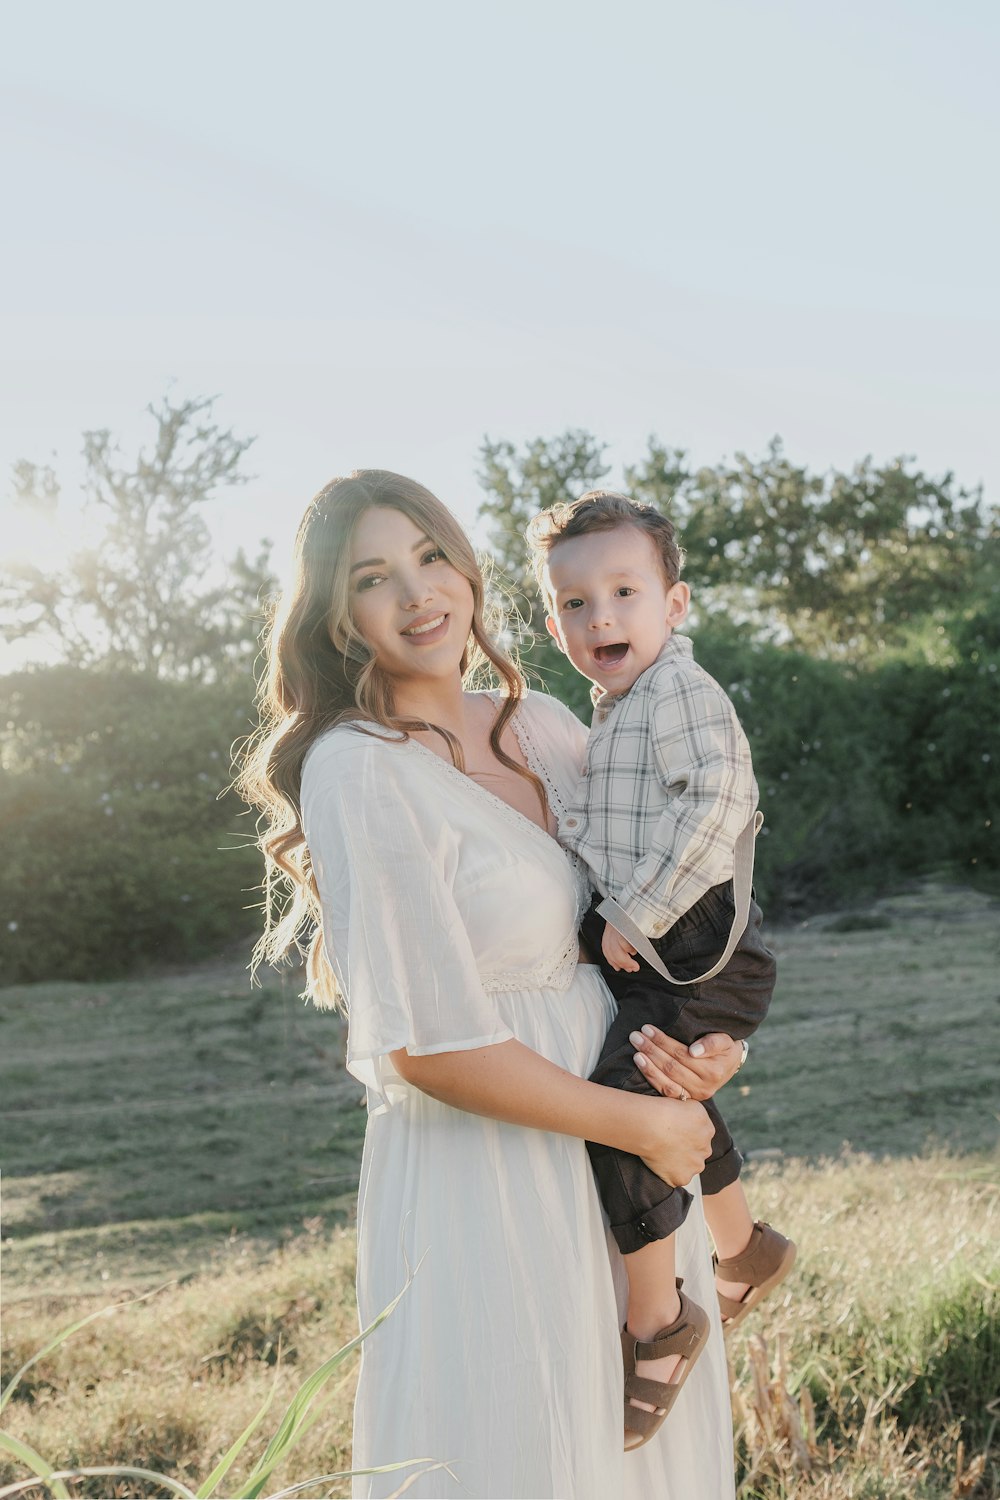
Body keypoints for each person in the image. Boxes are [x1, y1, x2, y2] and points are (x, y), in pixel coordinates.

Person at [239, 469, 746, 1499]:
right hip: (497, 1166)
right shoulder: (358, 768)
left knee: (642, 1460)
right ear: (338, 615)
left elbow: (652, 913)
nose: (418, 593)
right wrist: (638, 1127)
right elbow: (426, 1046)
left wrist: (702, 1045)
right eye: (374, 576)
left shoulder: (548, 722)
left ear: (466, 569)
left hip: (627, 1154)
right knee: (526, 1443)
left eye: (430, 556)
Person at [527, 490, 796, 1450]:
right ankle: (744, 1246)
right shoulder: (620, 709)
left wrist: (631, 913)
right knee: (664, 1082)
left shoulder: (681, 693)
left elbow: (720, 806)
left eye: (625, 592)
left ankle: (659, 1322)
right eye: (574, 602)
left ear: (674, 605)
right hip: (673, 946)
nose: (600, 616)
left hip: (699, 946)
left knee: (625, 1108)